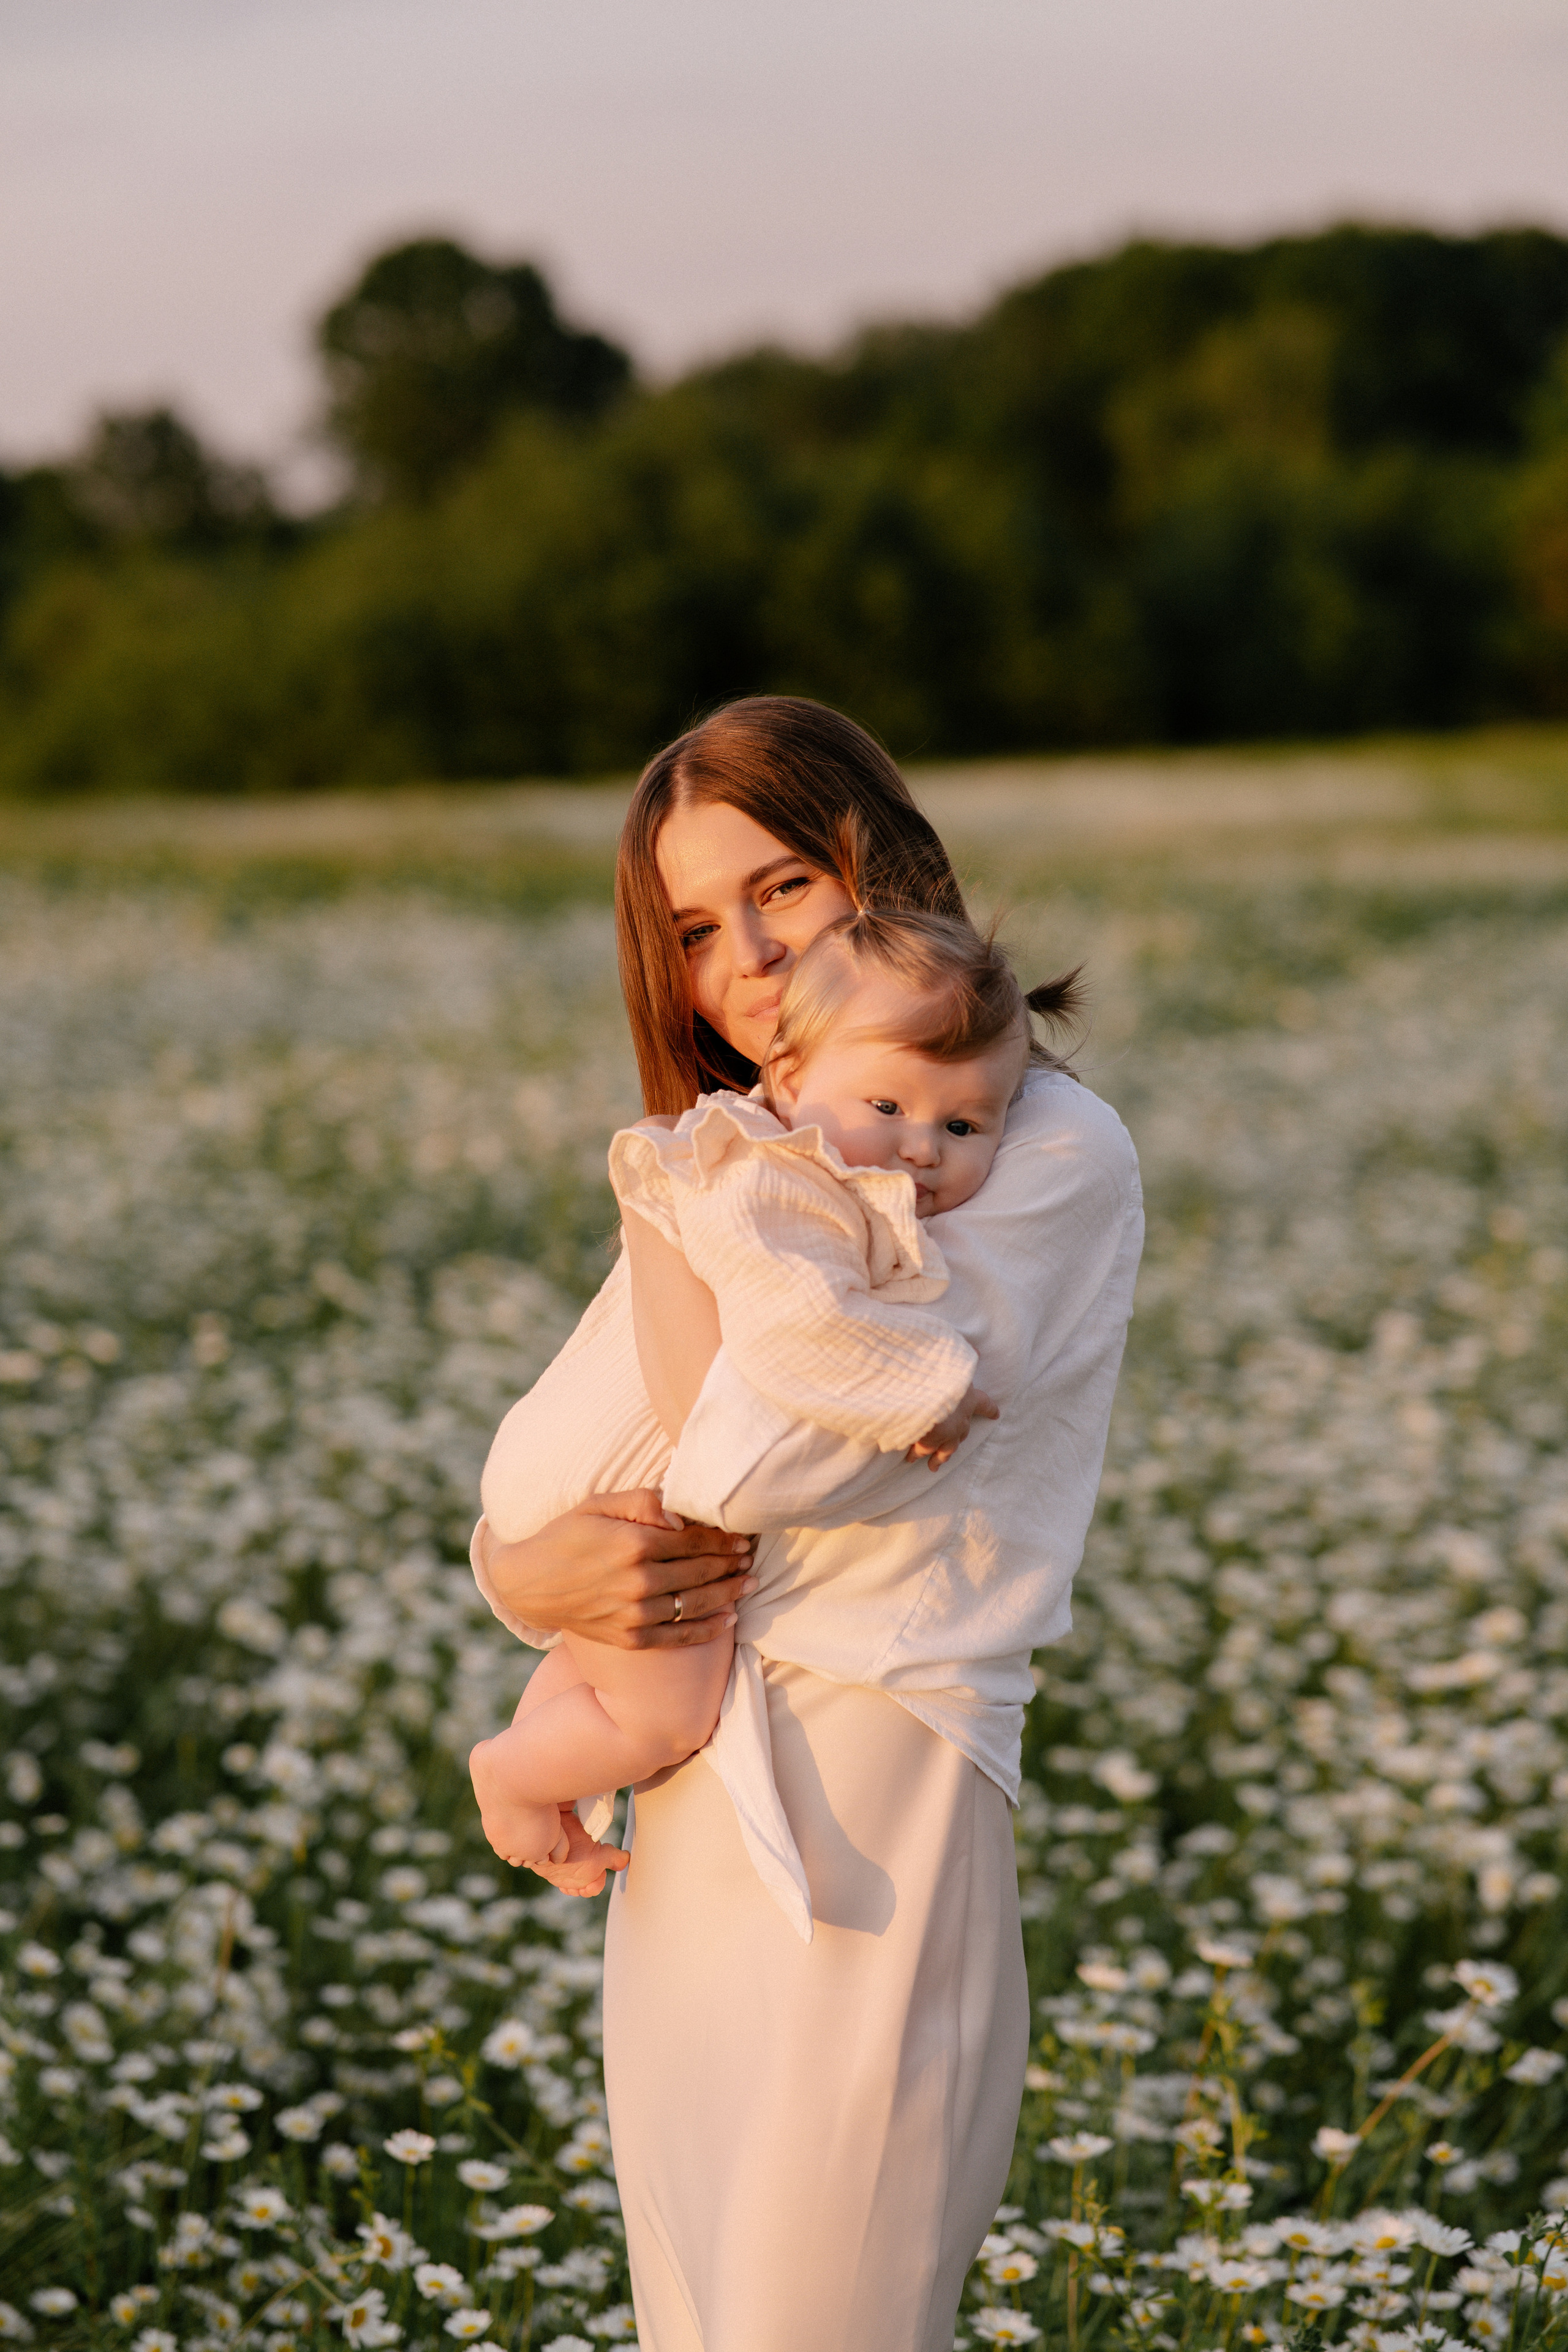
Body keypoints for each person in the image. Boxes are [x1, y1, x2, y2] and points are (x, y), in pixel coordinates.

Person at [469, 695, 1144, 2352]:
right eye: (694, 932)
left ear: (882, 862)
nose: (746, 962)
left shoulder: (1034, 1148)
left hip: (880, 1799)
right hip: (684, 1814)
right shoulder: (752, 1154)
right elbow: (554, 1472)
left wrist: (717, 1275)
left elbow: (771, 1464)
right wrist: (519, 1571)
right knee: (693, 2320)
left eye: (777, 888)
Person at [467, 908, 1062, 1876]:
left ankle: (549, 1782)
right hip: (617, 1488)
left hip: (592, 1479)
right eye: (888, 1108)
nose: (921, 1149)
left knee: (597, 1661)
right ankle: (512, 1777)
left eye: (962, 1126)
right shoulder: (778, 1181)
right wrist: (923, 1385)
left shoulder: (802, 1161)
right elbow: (799, 1331)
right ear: (789, 1078)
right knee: (666, 1716)